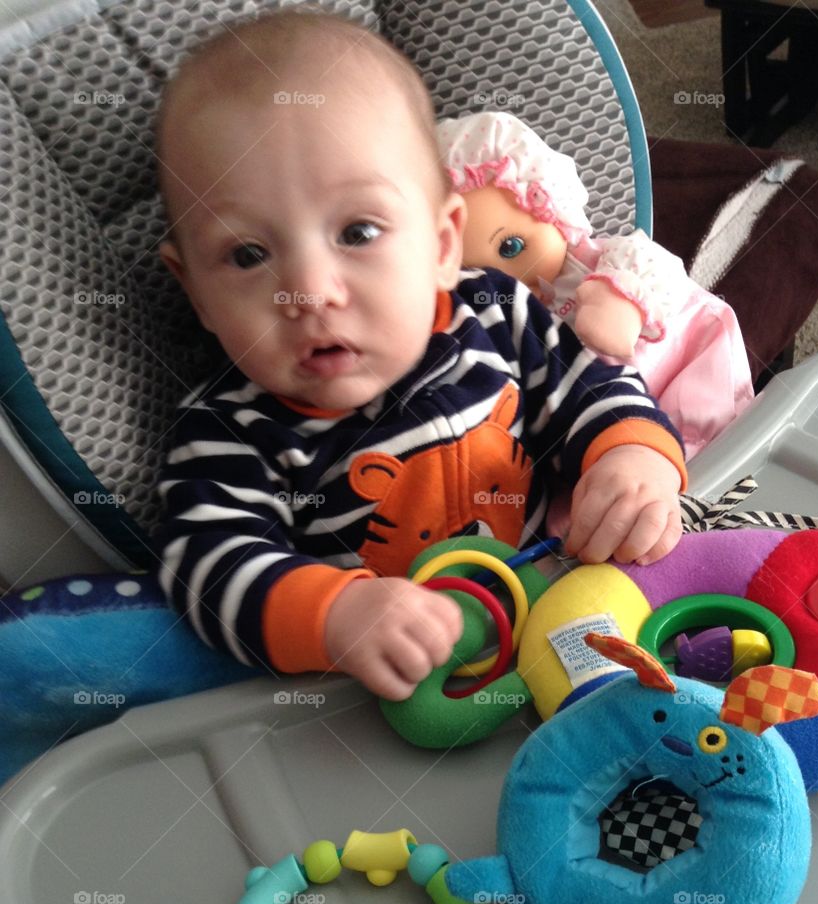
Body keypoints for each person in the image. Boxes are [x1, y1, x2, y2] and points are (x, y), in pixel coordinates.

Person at [154, 7, 687, 702]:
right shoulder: (226, 433)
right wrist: (334, 616)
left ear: (440, 245)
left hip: (556, 619)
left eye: (358, 230)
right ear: (194, 289)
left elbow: (590, 386)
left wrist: (632, 459)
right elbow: (207, 570)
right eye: (248, 254)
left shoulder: (496, 313)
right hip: (378, 706)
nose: (310, 292)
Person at [437, 111, 754, 458]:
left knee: (716, 442)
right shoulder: (497, 326)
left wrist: (619, 300)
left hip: (682, 378)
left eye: (512, 246)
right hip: (604, 437)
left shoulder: (608, 259)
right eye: (473, 274)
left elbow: (657, 270)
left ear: (552, 209)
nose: (507, 282)